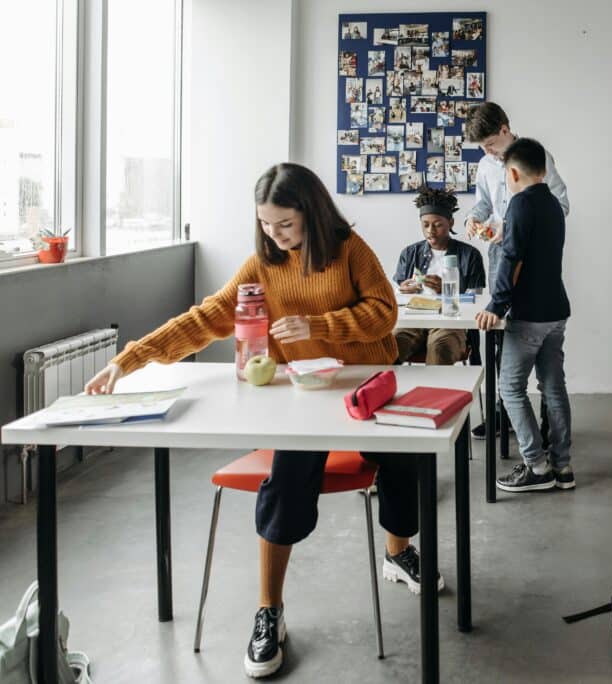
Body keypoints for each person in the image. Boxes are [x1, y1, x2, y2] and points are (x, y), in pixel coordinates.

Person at [83, 163, 443, 679]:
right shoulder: (262, 263)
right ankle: (269, 610)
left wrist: (319, 324)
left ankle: (398, 552)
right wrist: (129, 359)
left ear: (312, 216)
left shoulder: (349, 251)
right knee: (288, 482)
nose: (275, 236)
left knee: (405, 464)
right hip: (303, 395)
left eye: (286, 226)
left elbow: (384, 313)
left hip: (364, 385)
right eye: (266, 225)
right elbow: (206, 317)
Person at [464, 102, 570, 442]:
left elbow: (559, 204)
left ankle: (544, 429)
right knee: (501, 344)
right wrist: (474, 218)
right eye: (482, 148)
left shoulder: (537, 159)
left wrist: (510, 225)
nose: (488, 152)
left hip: (533, 263)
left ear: (505, 130)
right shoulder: (485, 164)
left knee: (539, 358)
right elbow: (484, 203)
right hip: (500, 257)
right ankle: (504, 417)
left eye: (491, 144)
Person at [476, 138, 573, 493]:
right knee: (553, 386)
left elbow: (511, 260)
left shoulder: (519, 204)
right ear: (544, 170)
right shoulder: (552, 203)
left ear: (512, 173)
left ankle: (536, 466)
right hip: (557, 311)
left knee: (510, 388)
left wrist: (495, 306)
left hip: (529, 313)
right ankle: (563, 467)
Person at [393, 187, 485, 364]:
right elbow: (395, 297)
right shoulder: (409, 253)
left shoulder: (470, 255)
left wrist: (447, 290)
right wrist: (402, 290)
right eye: (425, 225)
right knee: (389, 347)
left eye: (438, 224)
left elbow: (477, 301)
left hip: (450, 321)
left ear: (450, 223)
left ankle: (433, 392)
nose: (431, 231)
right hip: (414, 320)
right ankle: (388, 391)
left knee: (440, 348)